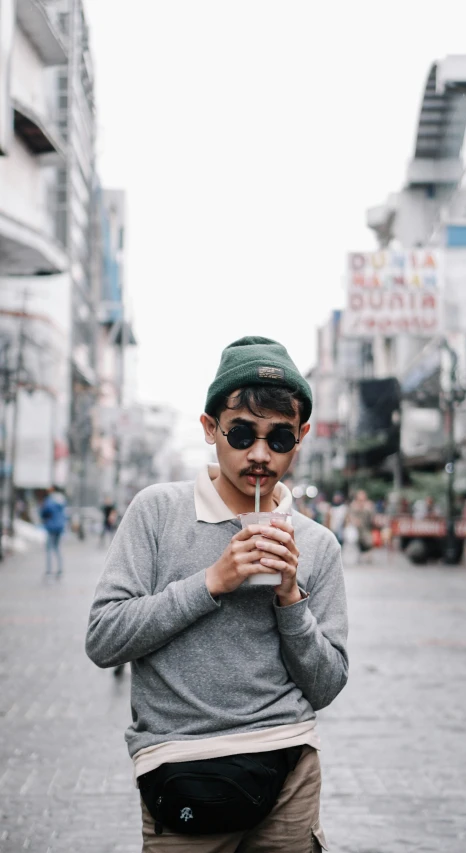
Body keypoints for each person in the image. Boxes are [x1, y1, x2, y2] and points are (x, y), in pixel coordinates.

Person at [86, 336, 348, 852]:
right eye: (242, 432)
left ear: (302, 438)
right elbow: (104, 640)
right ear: (210, 428)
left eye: (279, 439)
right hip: (179, 765)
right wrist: (212, 581)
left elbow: (326, 685)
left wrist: (290, 599)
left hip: (287, 757)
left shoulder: (318, 544)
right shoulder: (157, 512)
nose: (258, 455)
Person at [40, 486, 67, 577]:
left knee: (49, 549)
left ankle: (49, 570)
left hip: (51, 527)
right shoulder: (62, 500)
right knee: (57, 548)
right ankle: (60, 568)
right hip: (60, 527)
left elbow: (44, 512)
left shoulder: (50, 500)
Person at [347, 489, 375, 561]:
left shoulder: (368, 507)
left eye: (363, 498)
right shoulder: (353, 506)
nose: (361, 501)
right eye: (360, 499)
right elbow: (349, 517)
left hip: (366, 530)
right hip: (355, 531)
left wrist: (368, 509)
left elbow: (372, 519)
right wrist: (354, 521)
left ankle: (366, 555)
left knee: (368, 541)